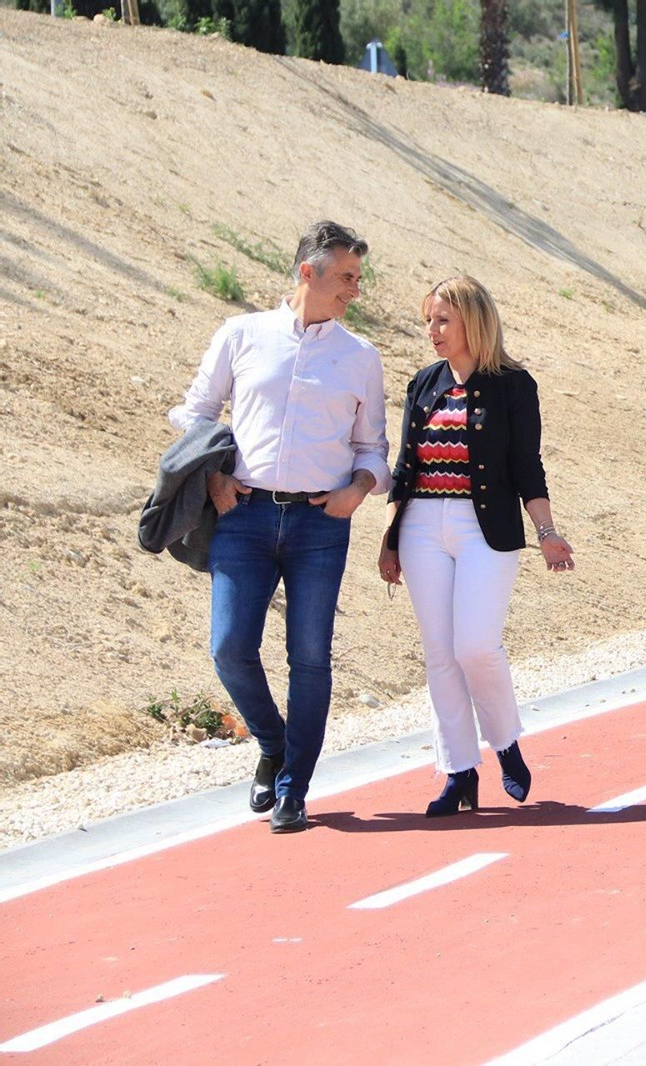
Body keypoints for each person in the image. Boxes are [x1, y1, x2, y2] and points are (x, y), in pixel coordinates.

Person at [169, 220, 388, 834]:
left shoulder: (360, 357)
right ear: (307, 272)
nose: (355, 290)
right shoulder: (241, 334)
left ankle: (294, 788)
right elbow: (194, 412)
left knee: (310, 658)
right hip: (242, 515)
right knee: (229, 647)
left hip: (322, 523)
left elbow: (373, 447)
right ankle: (272, 742)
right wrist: (214, 475)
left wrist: (357, 490)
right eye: (347, 277)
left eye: (358, 278)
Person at [378, 277, 574, 818]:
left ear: (474, 321)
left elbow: (526, 466)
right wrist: (390, 540)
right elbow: (404, 468)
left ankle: (505, 742)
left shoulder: (514, 385)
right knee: (440, 655)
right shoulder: (424, 383)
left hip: (484, 527)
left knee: (475, 647)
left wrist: (547, 532)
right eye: (428, 320)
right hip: (421, 527)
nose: (432, 330)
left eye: (443, 319)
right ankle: (459, 771)